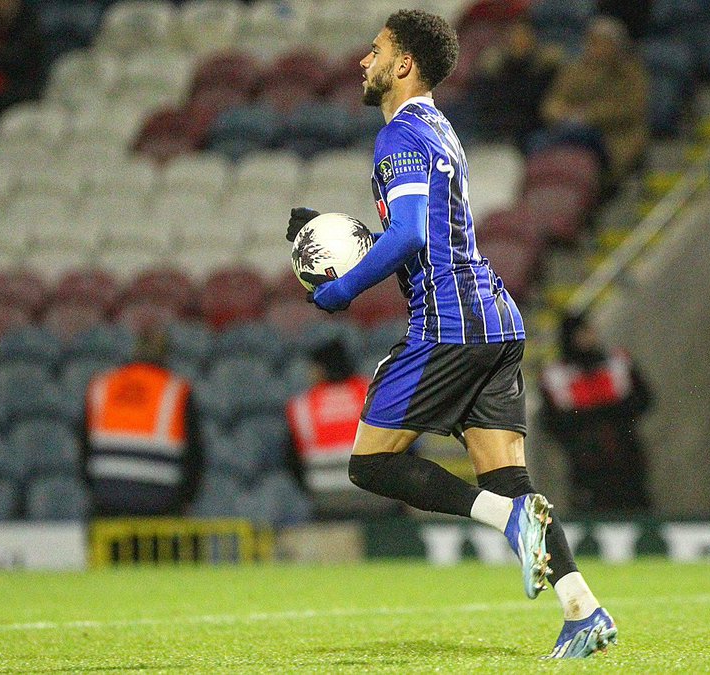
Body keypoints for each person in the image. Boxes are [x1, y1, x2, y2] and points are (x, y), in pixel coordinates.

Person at [284, 9, 616, 659]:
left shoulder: (399, 135)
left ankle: (507, 520)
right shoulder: (436, 126)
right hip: (494, 319)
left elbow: (410, 235)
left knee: (371, 462)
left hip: (449, 323)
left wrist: (342, 289)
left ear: (403, 63)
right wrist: (332, 232)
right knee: (511, 483)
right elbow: (422, 232)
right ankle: (584, 609)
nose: (362, 61)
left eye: (375, 50)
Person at [82, 329, 203, 518]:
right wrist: (187, 500)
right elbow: (195, 456)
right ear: (166, 355)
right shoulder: (177, 390)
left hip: (107, 501)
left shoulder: (101, 386)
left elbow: (84, 450)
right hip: (161, 504)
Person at [539, 313, 654, 512]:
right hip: (586, 461)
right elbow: (552, 422)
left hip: (626, 455)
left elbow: (644, 398)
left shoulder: (617, 363)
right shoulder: (555, 376)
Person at [284, 338, 394, 516]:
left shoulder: (301, 406)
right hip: (379, 497)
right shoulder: (374, 393)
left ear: (320, 369)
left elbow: (292, 461)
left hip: (327, 501)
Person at [538, 15, 649, 185]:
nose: (596, 48)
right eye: (593, 42)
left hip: (612, 138)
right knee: (536, 143)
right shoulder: (574, 70)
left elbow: (631, 109)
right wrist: (560, 112)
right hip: (568, 130)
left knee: (577, 135)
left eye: (602, 43)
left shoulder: (630, 74)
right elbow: (552, 102)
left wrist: (587, 115)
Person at [471, 17, 560, 151]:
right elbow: (485, 105)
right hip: (494, 131)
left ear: (532, 39)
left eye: (522, 36)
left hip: (529, 132)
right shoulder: (496, 69)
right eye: (514, 35)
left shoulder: (543, 69)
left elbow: (542, 108)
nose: (517, 40)